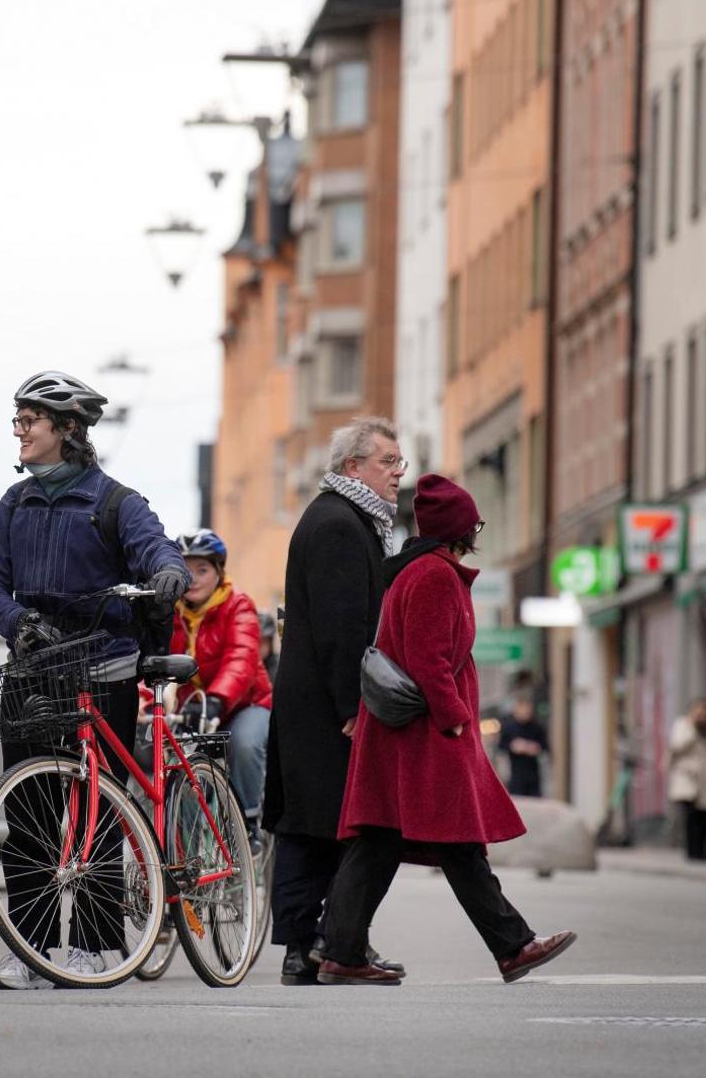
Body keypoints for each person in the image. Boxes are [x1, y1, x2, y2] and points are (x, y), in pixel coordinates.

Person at [0, 370, 189, 990]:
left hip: (103, 668)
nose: (18, 431)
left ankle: (95, 946)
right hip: (34, 671)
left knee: (98, 809)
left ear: (66, 430)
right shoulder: (13, 504)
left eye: (28, 421)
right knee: (30, 813)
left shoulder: (117, 502)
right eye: (16, 421)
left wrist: (170, 572)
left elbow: (157, 550)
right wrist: (19, 623)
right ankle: (29, 948)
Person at [319, 474, 576, 985]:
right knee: (455, 843)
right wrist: (457, 719)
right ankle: (514, 946)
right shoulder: (434, 575)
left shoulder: (415, 572)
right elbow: (429, 660)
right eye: (474, 523)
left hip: (403, 739)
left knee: (382, 843)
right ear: (461, 528)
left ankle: (341, 953)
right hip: (426, 739)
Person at [264, 417, 406, 985]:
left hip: (312, 703)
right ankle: (323, 945)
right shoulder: (340, 525)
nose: (399, 473)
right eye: (387, 462)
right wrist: (352, 706)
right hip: (326, 706)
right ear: (353, 467)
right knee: (330, 827)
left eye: (400, 462)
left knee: (317, 827)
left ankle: (317, 948)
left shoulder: (344, 520)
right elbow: (342, 627)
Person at [166, 529, 273, 839]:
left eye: (203, 570)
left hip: (246, 704)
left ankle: (249, 826)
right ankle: (185, 847)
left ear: (219, 572)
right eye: (186, 571)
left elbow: (241, 658)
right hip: (195, 708)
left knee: (244, 743)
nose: (194, 579)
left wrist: (217, 699)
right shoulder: (171, 612)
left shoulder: (238, 604)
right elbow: (157, 658)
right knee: (177, 762)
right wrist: (146, 700)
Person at [668, 699, 706, 862]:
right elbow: (676, 747)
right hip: (686, 777)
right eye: (698, 714)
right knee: (690, 815)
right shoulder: (683, 727)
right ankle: (691, 851)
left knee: (704, 815)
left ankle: (702, 851)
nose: (701, 718)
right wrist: (692, 730)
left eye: (705, 715)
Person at [497, 687, 548, 798]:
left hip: (533, 775)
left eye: (527, 707)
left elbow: (545, 747)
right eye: (522, 706)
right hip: (516, 775)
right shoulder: (509, 727)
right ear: (516, 708)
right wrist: (513, 746)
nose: (525, 710)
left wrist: (534, 748)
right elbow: (501, 746)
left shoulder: (537, 727)